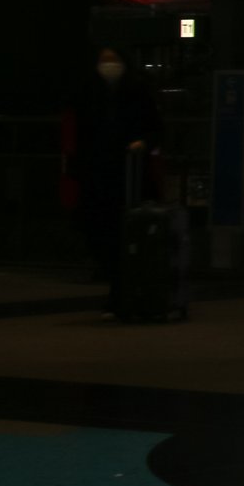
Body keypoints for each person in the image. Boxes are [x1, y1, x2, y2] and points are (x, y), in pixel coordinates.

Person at [73, 48, 157, 317]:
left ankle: (122, 293)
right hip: (101, 173)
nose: (108, 66)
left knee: (123, 232)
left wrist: (142, 143)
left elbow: (153, 126)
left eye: (113, 60)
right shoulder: (91, 93)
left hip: (125, 173)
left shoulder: (134, 91)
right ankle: (119, 289)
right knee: (104, 232)